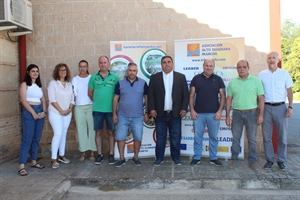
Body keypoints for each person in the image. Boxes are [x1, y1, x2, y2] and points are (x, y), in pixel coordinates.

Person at [148, 55, 189, 166]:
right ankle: (159, 158)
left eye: (169, 62)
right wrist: (151, 109)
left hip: (175, 113)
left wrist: (184, 108)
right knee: (160, 138)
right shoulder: (155, 78)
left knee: (175, 137)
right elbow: (150, 95)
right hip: (160, 114)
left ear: (172, 63)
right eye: (164, 62)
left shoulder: (180, 77)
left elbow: (186, 95)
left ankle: (176, 158)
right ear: (161, 64)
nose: (167, 64)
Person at [226, 60, 264, 171]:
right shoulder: (232, 83)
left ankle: (252, 161)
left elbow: (261, 99)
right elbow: (229, 100)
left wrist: (261, 115)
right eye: (239, 67)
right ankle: (234, 159)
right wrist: (228, 115)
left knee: (252, 139)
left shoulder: (256, 81)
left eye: (244, 67)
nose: (241, 69)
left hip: (252, 114)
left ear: (248, 68)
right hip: (237, 114)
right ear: (237, 69)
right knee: (236, 139)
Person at [258, 51, 293, 170]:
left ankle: (281, 160)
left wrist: (290, 107)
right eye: (269, 58)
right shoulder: (261, 74)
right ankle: (269, 160)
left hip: (281, 108)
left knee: (282, 137)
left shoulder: (284, 74)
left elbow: (289, 91)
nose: (271, 60)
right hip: (266, 107)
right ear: (266, 60)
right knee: (266, 137)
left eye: (274, 58)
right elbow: (259, 93)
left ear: (277, 60)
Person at [189, 59, 226, 166]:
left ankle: (213, 157)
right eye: (207, 65)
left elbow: (223, 96)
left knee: (213, 137)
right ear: (203, 66)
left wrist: (219, 111)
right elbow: (191, 95)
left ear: (214, 67)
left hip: (214, 114)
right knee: (197, 137)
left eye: (211, 66)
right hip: (198, 114)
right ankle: (197, 157)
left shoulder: (218, 79)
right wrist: (192, 110)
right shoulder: (196, 79)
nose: (208, 67)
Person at [112, 63, 149, 167]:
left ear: (136, 72)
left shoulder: (143, 83)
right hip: (122, 116)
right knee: (120, 137)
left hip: (137, 116)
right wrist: (114, 113)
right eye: (130, 70)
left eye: (134, 70)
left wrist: (147, 112)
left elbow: (147, 98)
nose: (132, 72)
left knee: (138, 137)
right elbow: (115, 99)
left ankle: (136, 157)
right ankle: (122, 158)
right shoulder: (120, 83)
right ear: (127, 71)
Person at [88, 55, 120, 165]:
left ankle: (111, 154)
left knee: (111, 132)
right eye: (101, 62)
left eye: (105, 62)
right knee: (98, 132)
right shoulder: (93, 77)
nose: (103, 64)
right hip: (97, 110)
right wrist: (98, 101)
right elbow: (90, 93)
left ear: (108, 63)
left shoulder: (115, 78)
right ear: (98, 64)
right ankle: (100, 154)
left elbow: (118, 95)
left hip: (111, 110)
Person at [18, 64, 46, 176]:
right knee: (27, 139)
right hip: (29, 112)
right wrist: (33, 113)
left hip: (39, 111)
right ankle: (21, 165)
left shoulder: (38, 85)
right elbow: (23, 101)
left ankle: (33, 161)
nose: (35, 73)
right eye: (33, 71)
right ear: (28, 72)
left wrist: (44, 111)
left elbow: (43, 99)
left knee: (36, 138)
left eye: (37, 71)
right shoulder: (24, 85)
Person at [48, 63, 75, 169]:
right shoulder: (53, 84)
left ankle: (61, 155)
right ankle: (53, 159)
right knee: (58, 133)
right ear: (57, 72)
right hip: (55, 112)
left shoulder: (69, 84)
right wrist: (61, 111)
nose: (63, 72)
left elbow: (73, 98)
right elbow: (52, 99)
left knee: (64, 133)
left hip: (67, 113)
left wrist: (69, 109)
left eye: (64, 70)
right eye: (60, 70)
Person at [72, 60, 97, 161]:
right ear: (78, 68)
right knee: (81, 130)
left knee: (92, 129)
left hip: (91, 106)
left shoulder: (92, 78)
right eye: (81, 66)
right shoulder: (75, 79)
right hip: (79, 107)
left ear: (87, 67)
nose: (82, 68)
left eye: (84, 66)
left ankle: (92, 152)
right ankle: (83, 152)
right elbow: (73, 94)